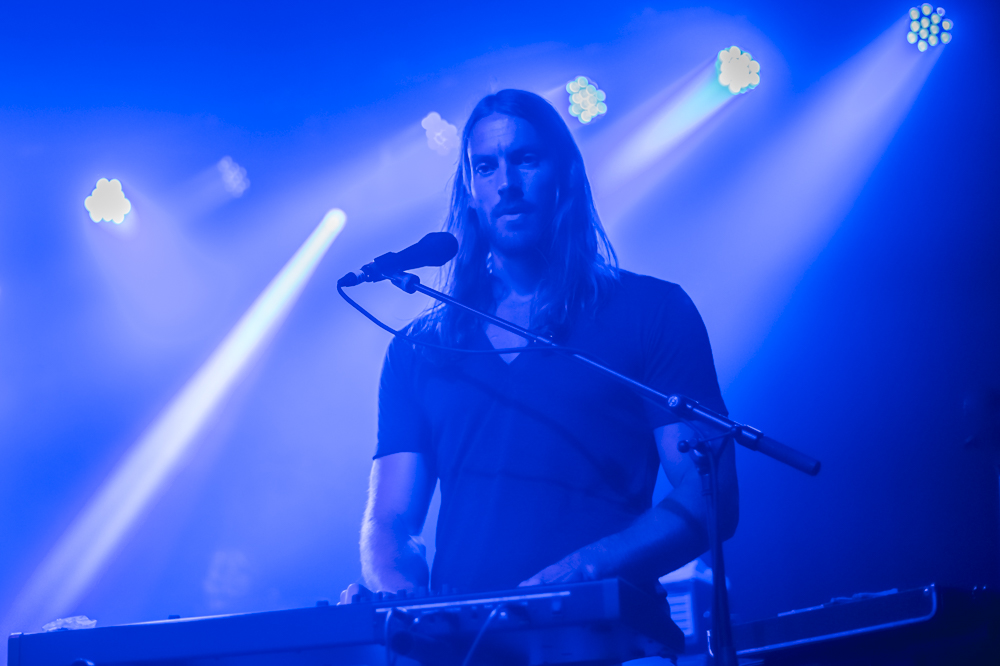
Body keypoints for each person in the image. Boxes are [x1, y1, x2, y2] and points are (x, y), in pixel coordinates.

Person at [340, 89, 738, 602]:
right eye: (485, 167)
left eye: (524, 159)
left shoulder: (652, 311)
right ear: (469, 190)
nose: (506, 183)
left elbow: (711, 495)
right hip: (462, 647)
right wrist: (397, 590)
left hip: (604, 633)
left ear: (565, 176)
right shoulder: (419, 348)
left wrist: (589, 569)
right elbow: (392, 517)